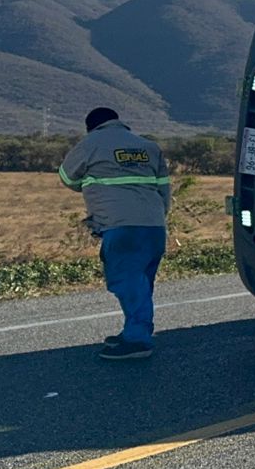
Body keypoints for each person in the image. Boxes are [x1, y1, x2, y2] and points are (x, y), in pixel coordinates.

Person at [58, 108, 171, 360]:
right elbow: (164, 189)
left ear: (92, 127)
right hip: (154, 227)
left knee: (126, 281)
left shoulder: (91, 144)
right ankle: (134, 330)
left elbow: (66, 176)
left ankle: (138, 340)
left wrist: (89, 184)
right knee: (142, 281)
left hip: (121, 227)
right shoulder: (148, 146)